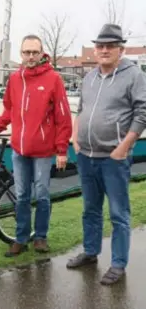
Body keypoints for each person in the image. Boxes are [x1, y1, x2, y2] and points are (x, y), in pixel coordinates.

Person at [66, 24, 146, 285]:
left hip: (113, 159)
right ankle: (90, 252)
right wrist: (76, 140)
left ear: (120, 49)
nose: (104, 50)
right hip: (85, 156)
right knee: (90, 209)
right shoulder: (89, 78)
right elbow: (80, 110)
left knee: (118, 213)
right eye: (100, 46)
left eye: (110, 46)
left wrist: (123, 147)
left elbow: (142, 113)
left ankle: (118, 264)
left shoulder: (134, 75)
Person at [0, 35, 72, 257]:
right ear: (21, 54)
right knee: (22, 195)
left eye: (35, 52)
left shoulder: (54, 79)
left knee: (42, 194)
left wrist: (61, 150)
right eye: (27, 52)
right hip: (19, 150)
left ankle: (41, 237)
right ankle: (21, 238)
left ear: (42, 53)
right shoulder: (15, 80)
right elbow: (8, 109)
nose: (31, 56)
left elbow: (63, 117)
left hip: (43, 151)